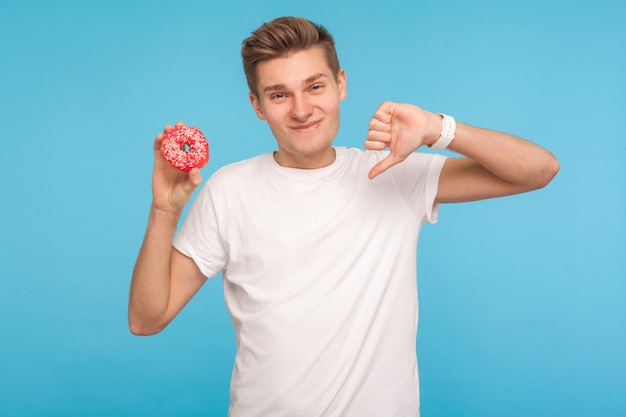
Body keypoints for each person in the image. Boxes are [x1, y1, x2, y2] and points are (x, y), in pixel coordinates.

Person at [129, 16, 559, 417]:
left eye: (315, 87)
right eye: (279, 95)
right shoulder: (229, 189)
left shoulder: (392, 172)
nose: (301, 109)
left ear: (340, 84)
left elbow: (540, 169)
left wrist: (437, 129)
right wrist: (164, 210)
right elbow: (147, 319)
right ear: (257, 105)